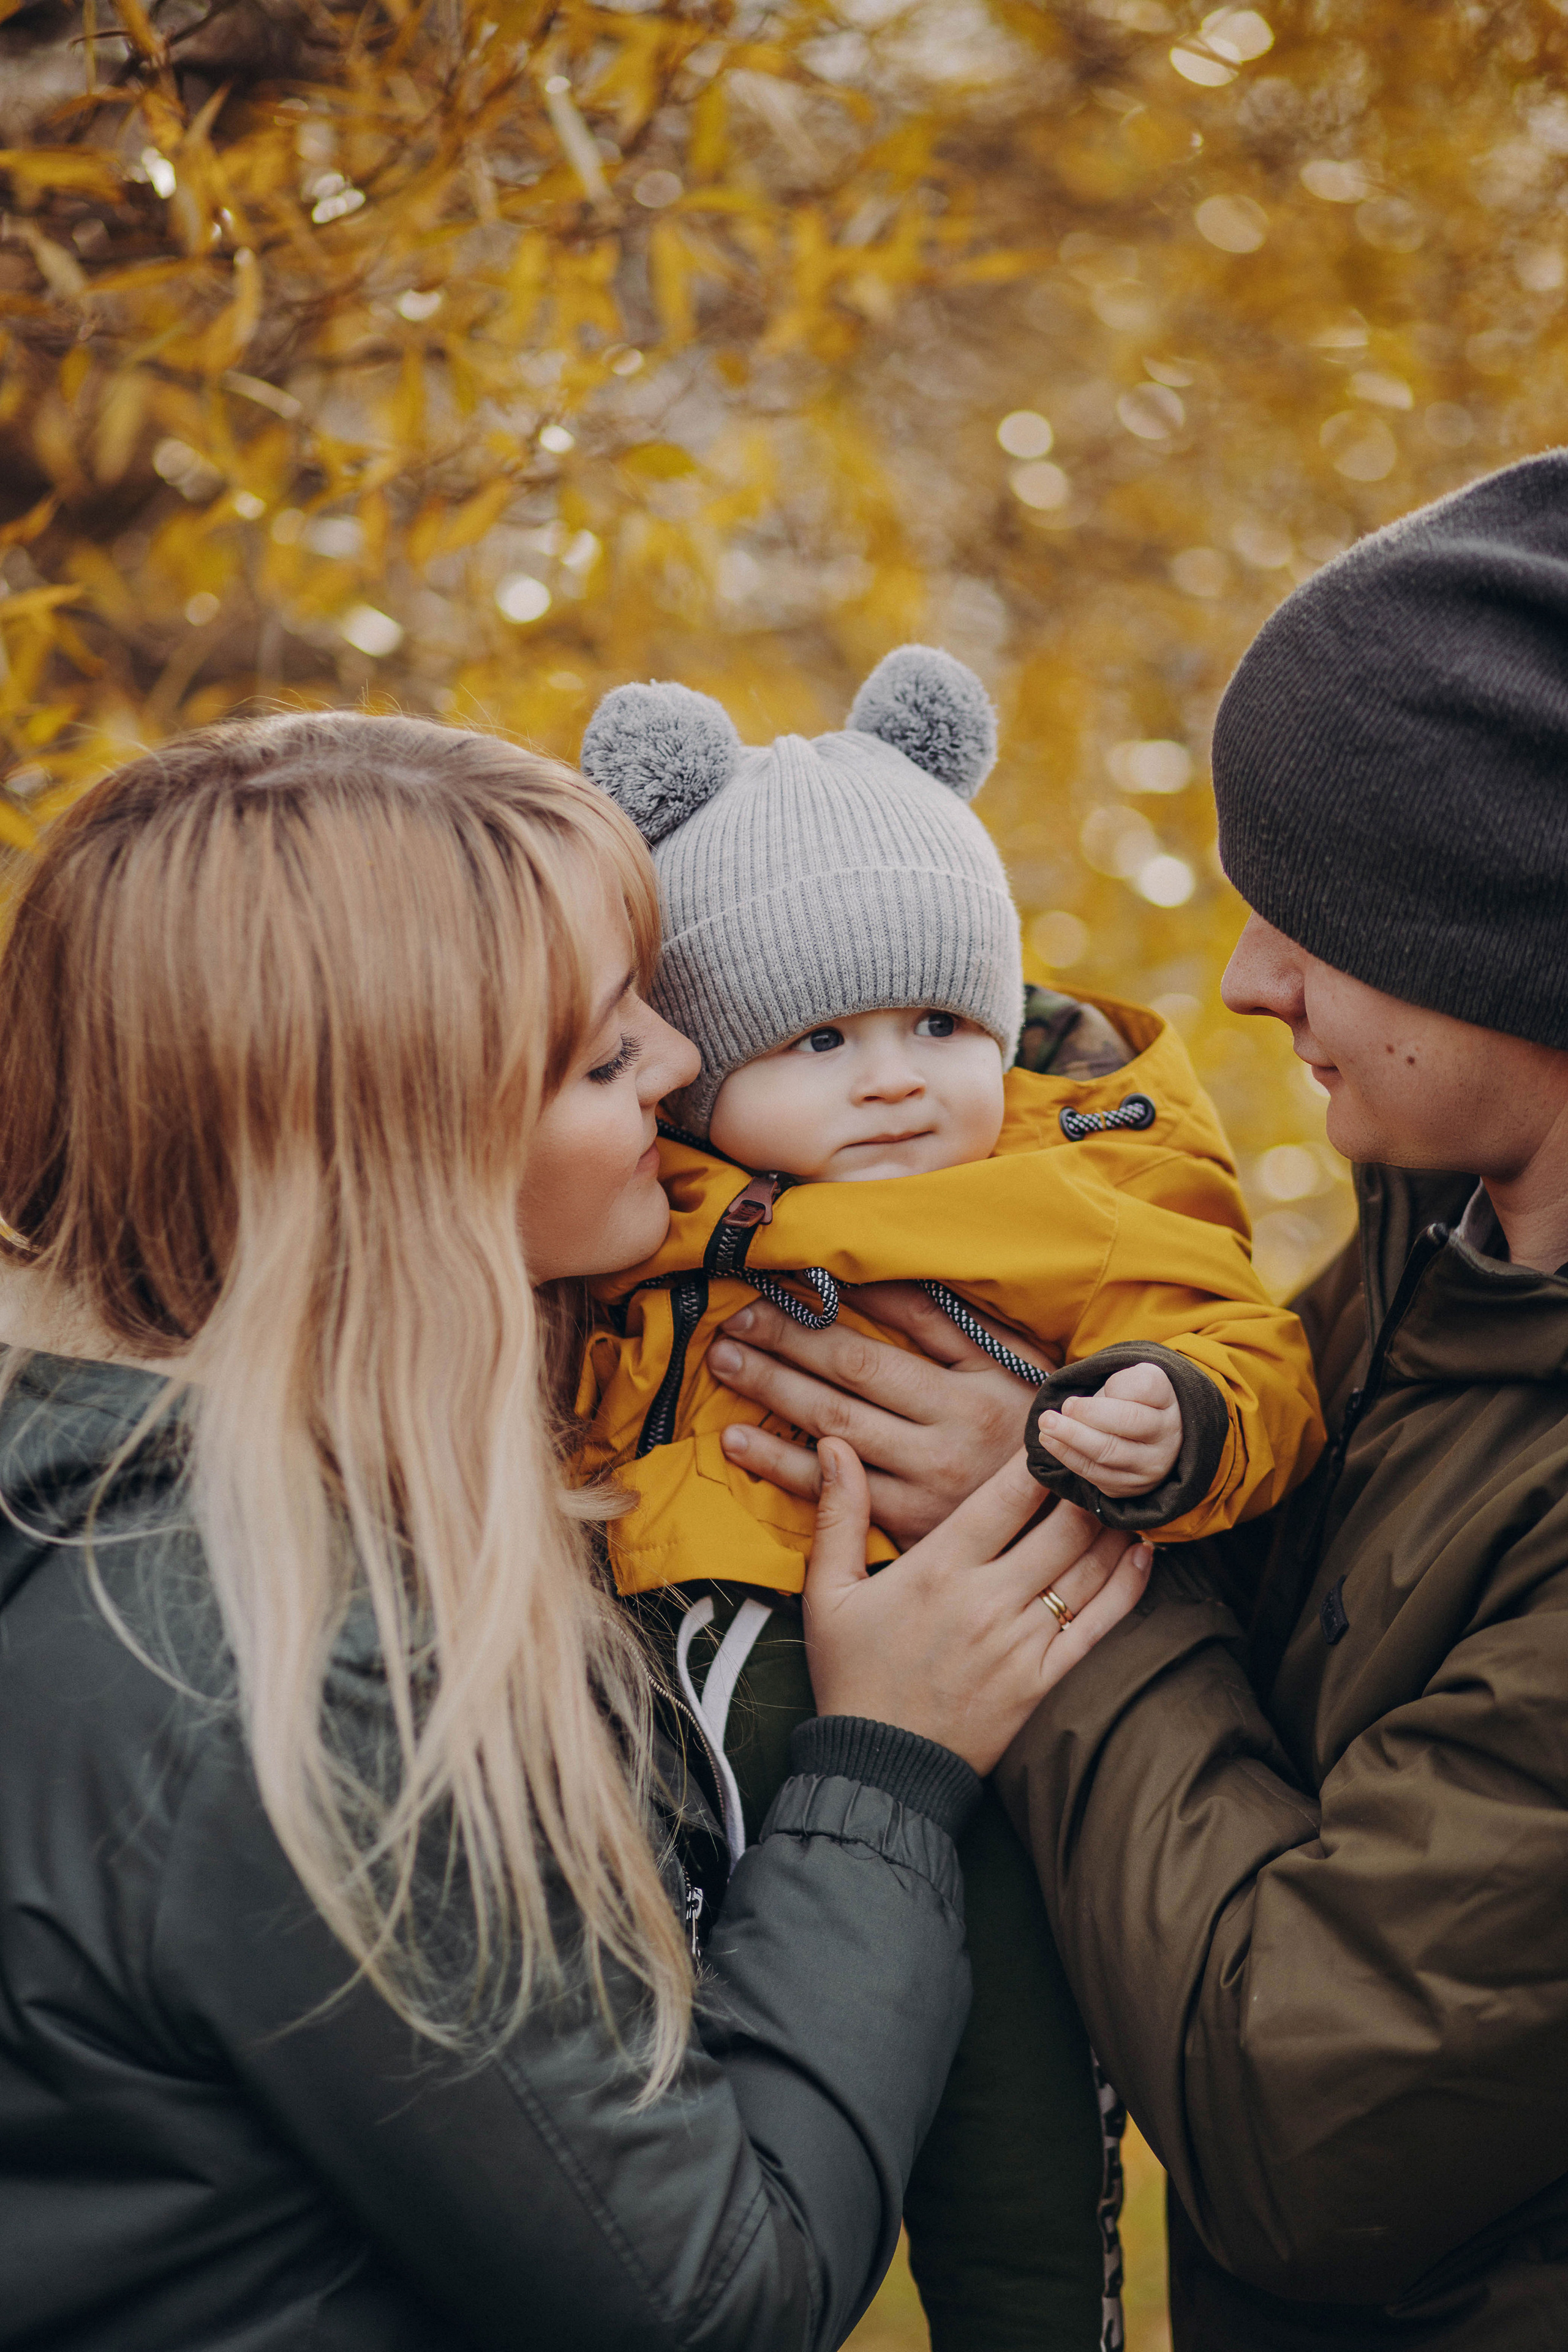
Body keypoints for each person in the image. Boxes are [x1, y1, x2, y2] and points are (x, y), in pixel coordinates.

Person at [0, 712, 1152, 2352]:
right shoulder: (283, 1667)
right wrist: (884, 1770)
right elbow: (708, 2301)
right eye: (609, 1055)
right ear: (412, 1155)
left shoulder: (158, 1503)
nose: (682, 1060)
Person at [710, 453, 1568, 2350]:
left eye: (1320, 915)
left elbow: (1311, 2119)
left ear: (1511, 944)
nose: (1250, 981)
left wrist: (1037, 1548)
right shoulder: (1444, 1268)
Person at [572, 647, 1324, 2350]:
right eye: (821, 1039)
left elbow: (1247, 1347)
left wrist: (1175, 1417)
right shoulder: (639, 1203)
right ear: (701, 1073)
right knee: (669, 2131)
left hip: (985, 1723)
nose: (895, 1077)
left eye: (938, 1023)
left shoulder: (1078, 1190)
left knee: (1015, 2140)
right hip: (681, 1714)